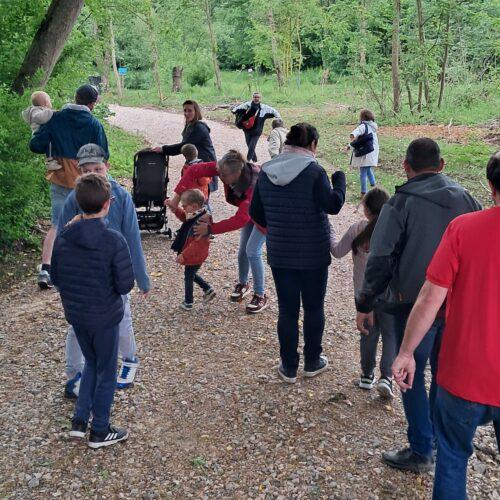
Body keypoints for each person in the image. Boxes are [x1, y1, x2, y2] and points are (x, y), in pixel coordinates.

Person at [355, 138, 482, 473]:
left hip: (411, 306)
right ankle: (439, 441)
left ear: (406, 167)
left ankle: (421, 448)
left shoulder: (399, 203)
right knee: (443, 374)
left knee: (408, 371)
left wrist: (365, 303)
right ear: (441, 166)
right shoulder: (468, 199)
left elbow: (380, 259)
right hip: (455, 306)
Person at [392, 152, 500, 500]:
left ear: (490, 185)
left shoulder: (463, 229)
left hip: (463, 376)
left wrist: (406, 352)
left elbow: (429, 298)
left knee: (452, 459)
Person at [250, 123, 346, 383]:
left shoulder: (266, 171)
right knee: (314, 308)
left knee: (287, 310)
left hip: (281, 253)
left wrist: (278, 225)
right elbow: (333, 205)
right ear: (313, 144)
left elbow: (256, 213)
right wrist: (339, 181)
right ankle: (312, 361)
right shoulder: (315, 172)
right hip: (313, 254)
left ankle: (289, 366)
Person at [58, 144, 150, 397]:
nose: (93, 174)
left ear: (107, 167)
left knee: (122, 319)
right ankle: (74, 374)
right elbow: (62, 236)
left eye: (98, 169)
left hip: (114, 273)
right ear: (79, 172)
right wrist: (62, 277)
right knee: (77, 326)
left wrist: (141, 277)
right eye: (87, 170)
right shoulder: (74, 198)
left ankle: (129, 359)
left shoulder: (121, 197)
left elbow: (132, 239)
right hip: (84, 275)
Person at [50, 173, 134, 449]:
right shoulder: (114, 241)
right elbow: (125, 284)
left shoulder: (63, 237)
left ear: (77, 203)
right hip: (105, 317)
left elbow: (57, 277)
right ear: (108, 204)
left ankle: (79, 420)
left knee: (91, 363)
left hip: (77, 315)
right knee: (107, 371)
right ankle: (100, 430)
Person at [166, 150, 268, 313]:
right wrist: (176, 200)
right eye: (218, 172)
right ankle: (243, 284)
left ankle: (260, 294)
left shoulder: (253, 187)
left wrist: (210, 228)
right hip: (251, 210)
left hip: (266, 213)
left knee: (252, 251)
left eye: (223, 175)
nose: (219, 176)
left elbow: (240, 219)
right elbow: (194, 170)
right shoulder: (225, 167)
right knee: (243, 250)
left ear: (237, 173)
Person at [29, 84, 109, 290]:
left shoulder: (54, 118)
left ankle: (46, 269)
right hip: (86, 182)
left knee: (57, 224)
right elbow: (104, 154)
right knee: (89, 220)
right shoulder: (94, 124)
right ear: (92, 104)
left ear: (75, 98)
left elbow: (35, 145)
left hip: (60, 177)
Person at [330, 187, 396, 398]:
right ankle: (387, 377)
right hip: (390, 294)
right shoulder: (395, 231)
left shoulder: (357, 229)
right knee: (390, 334)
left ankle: (367, 375)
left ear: (367, 210)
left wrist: (329, 230)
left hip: (364, 295)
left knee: (368, 334)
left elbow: (337, 252)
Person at [152, 100, 218, 193]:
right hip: (197, 164)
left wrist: (163, 149)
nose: (186, 113)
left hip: (205, 166)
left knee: (201, 197)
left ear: (196, 111)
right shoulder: (191, 125)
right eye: (185, 110)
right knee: (195, 195)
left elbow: (183, 147)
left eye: (190, 110)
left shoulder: (199, 128)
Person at [169, 189, 215, 310]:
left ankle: (188, 302)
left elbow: (197, 243)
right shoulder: (196, 213)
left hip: (195, 254)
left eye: (184, 206)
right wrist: (175, 209)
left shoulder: (201, 221)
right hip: (196, 253)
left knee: (189, 276)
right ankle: (207, 289)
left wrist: (184, 255)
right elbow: (184, 217)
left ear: (194, 206)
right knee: (191, 274)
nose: (183, 209)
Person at [233, 92, 280, 162]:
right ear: (252, 98)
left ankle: (247, 161)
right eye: (255, 97)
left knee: (252, 146)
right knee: (249, 145)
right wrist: (235, 112)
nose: (256, 98)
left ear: (260, 98)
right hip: (247, 129)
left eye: (258, 97)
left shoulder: (264, 108)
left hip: (257, 131)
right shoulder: (247, 105)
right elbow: (236, 109)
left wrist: (278, 119)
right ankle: (255, 160)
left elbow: (275, 111)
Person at [22, 91, 61, 172]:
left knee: (51, 143)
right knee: (50, 141)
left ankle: (53, 159)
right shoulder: (35, 111)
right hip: (39, 135)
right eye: (50, 100)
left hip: (42, 134)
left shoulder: (39, 110)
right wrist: (51, 111)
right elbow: (41, 118)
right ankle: (50, 163)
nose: (51, 102)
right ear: (46, 102)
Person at [348, 109, 379, 196]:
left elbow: (358, 131)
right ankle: (374, 186)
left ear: (363, 117)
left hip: (366, 153)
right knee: (368, 169)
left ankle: (363, 192)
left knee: (363, 173)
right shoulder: (373, 126)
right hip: (372, 152)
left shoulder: (363, 126)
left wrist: (353, 135)